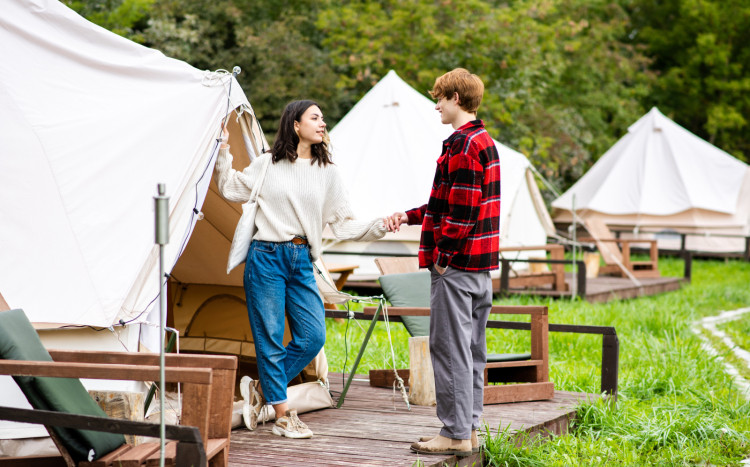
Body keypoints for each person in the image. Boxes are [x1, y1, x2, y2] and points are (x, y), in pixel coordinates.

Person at [215, 100, 388, 439]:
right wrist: (222, 148)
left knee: (312, 337)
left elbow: (342, 225)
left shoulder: (328, 173)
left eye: (323, 118)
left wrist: (381, 225)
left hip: (301, 259)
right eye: (315, 117)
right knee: (270, 338)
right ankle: (282, 416)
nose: (323, 123)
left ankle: (263, 389)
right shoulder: (267, 165)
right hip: (265, 257)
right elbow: (230, 187)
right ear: (296, 125)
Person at [385, 68, 500, 456]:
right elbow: (448, 203)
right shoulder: (483, 142)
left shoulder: (463, 145)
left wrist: (442, 259)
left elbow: (462, 215)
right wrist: (409, 215)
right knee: (470, 352)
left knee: (449, 350)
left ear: (456, 98)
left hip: (457, 268)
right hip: (480, 270)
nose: (436, 105)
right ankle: (467, 431)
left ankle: (453, 434)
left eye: (439, 98)